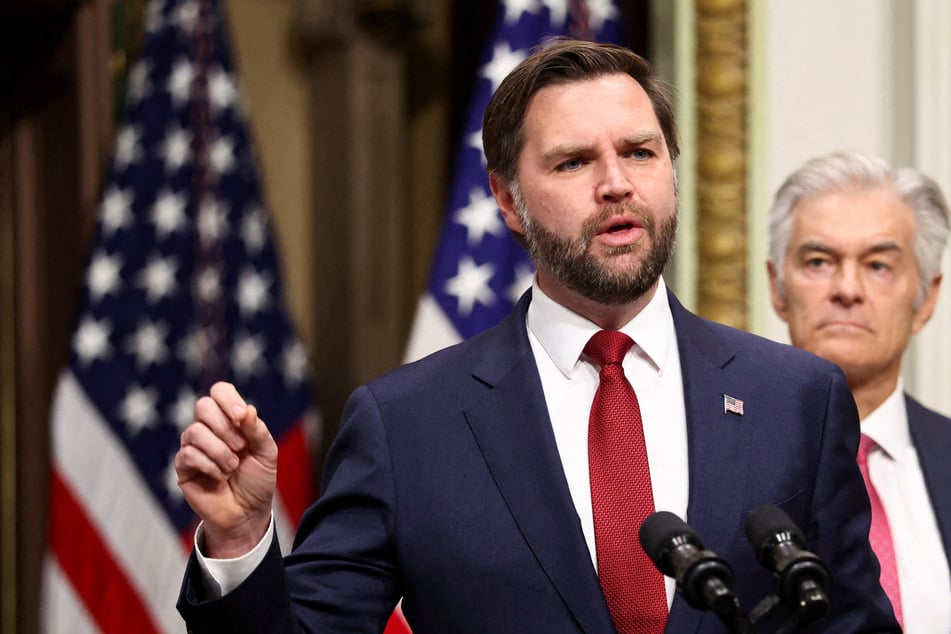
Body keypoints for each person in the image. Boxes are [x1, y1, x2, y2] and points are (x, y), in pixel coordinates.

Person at [175, 39, 898, 633]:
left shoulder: (796, 399)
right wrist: (240, 543)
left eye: (640, 152)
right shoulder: (407, 424)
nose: (615, 183)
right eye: (573, 161)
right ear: (506, 200)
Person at [767, 151, 951, 633]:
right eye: (819, 261)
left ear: (926, 298)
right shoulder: (726, 458)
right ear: (777, 287)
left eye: (878, 266)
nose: (847, 289)